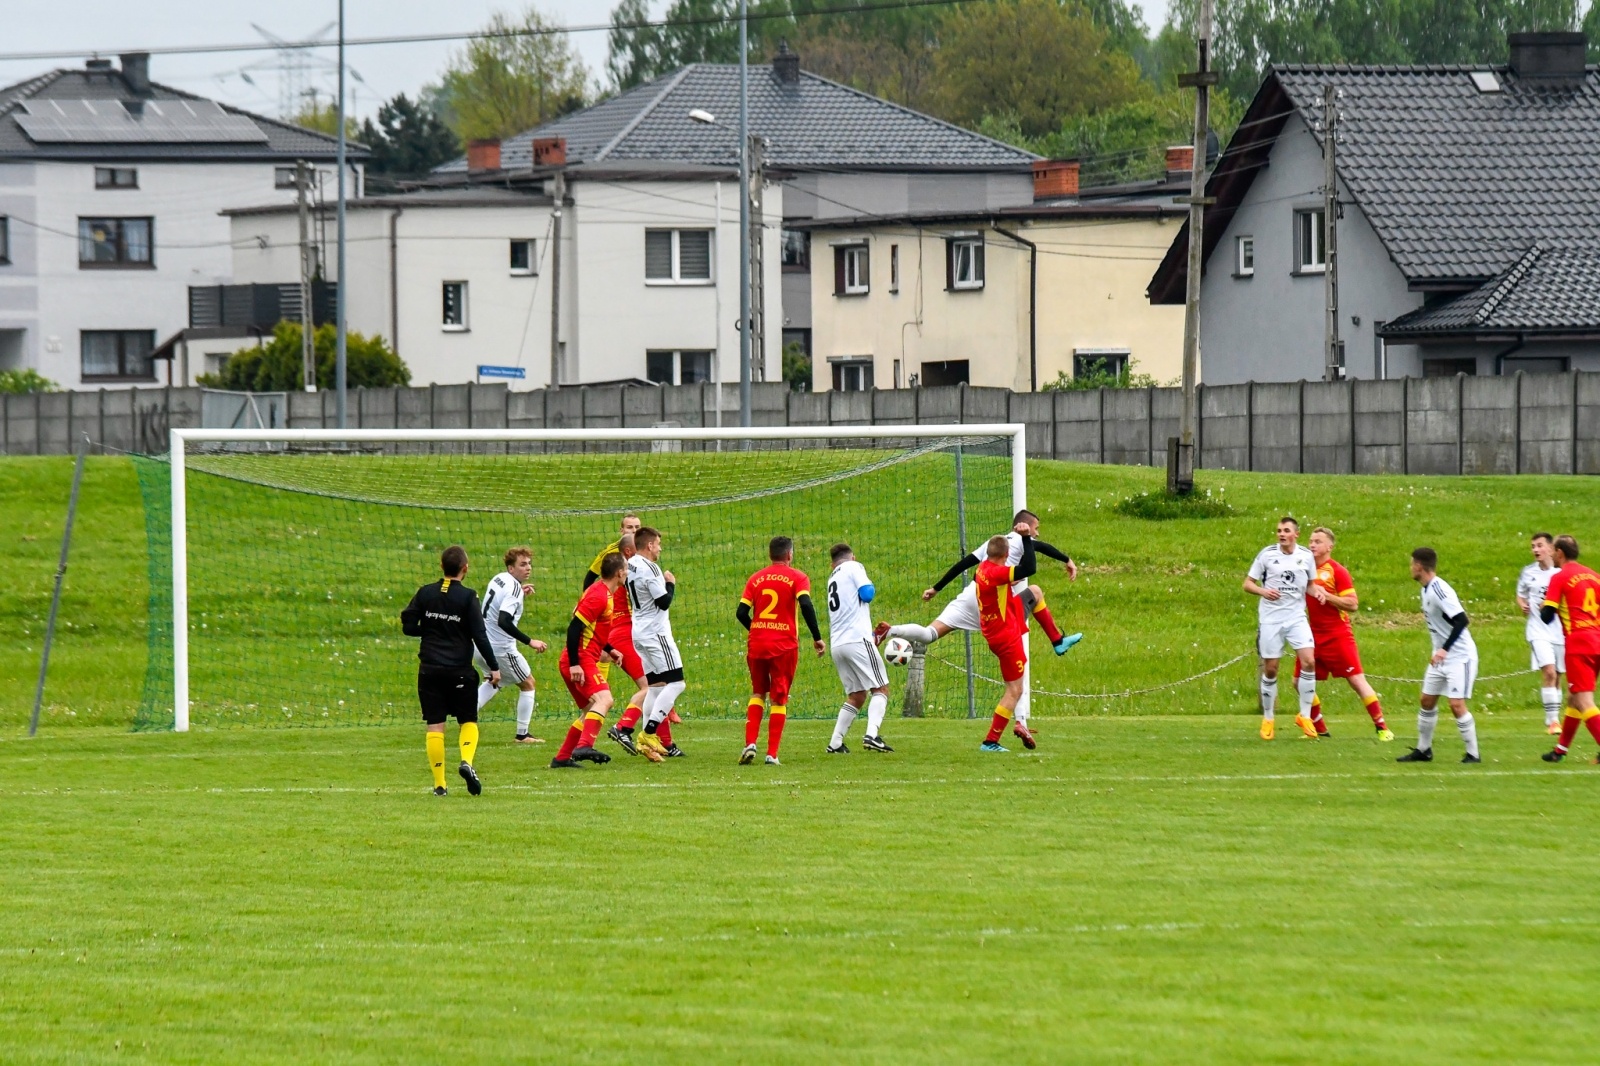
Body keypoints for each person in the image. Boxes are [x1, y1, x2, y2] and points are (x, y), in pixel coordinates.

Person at [875, 510, 1081, 749]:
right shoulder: (1015, 544)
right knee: (1015, 686)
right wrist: (1064, 558)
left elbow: (965, 564)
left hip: (975, 598)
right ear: (1022, 528)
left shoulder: (985, 560)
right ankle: (1009, 728)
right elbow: (1036, 557)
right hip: (1003, 623)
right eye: (1035, 528)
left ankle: (890, 631)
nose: (1037, 533)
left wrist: (936, 588)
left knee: (930, 633)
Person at [400, 545, 500, 796]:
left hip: (429, 670)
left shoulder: (425, 593)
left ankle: (440, 785)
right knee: (468, 720)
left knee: (435, 725)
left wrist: (431, 629)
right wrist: (494, 667)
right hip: (459, 671)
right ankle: (466, 761)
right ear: (465, 569)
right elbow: (479, 634)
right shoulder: (468, 597)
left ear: (441, 566)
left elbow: (408, 625)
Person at [1291, 527, 1393, 741]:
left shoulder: (1337, 571)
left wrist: (1327, 596)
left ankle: (1382, 727)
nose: (1312, 545)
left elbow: (1353, 604)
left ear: (1330, 546)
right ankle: (1319, 729)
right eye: (1310, 541)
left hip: (1337, 634)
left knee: (1356, 679)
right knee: (1299, 681)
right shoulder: (1302, 569)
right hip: (1311, 635)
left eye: (1318, 541)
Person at [738, 535, 825, 766]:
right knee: (779, 698)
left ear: (770, 555)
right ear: (789, 554)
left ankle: (749, 744)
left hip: (757, 643)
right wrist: (817, 638)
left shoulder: (755, 578)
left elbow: (740, 613)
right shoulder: (798, 577)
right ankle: (771, 754)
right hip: (784, 645)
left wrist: (757, 629)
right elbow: (805, 604)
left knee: (758, 692)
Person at [1397, 547, 1481, 764]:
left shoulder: (1439, 590)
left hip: (1459, 656)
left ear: (1418, 566)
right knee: (1426, 700)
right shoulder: (1425, 589)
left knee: (1456, 705)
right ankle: (1423, 750)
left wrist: (1444, 649)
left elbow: (1462, 620)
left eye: (1411, 564)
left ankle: (1473, 754)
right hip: (1440, 657)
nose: (1410, 568)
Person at [1243, 516, 1318, 741]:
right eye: (1278, 531)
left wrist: (1320, 594)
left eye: (1286, 530)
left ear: (1296, 534)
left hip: (1296, 617)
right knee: (1272, 669)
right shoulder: (1267, 555)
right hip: (1271, 619)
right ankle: (1268, 718)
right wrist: (1263, 592)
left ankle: (1304, 716)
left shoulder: (1306, 556)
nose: (1281, 534)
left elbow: (1311, 586)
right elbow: (1247, 584)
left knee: (1309, 662)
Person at [550, 552, 626, 769]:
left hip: (581, 657)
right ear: (619, 573)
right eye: (626, 570)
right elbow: (574, 628)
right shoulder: (598, 595)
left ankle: (562, 758)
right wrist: (575, 663)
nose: (627, 573)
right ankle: (584, 746)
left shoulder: (605, 593)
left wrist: (610, 650)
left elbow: (592, 631)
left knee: (590, 709)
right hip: (580, 659)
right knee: (605, 700)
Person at [621, 526, 688, 762]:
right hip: (656, 633)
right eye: (658, 544)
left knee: (656, 686)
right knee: (677, 683)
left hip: (638, 631)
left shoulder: (630, 564)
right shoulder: (650, 568)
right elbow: (663, 602)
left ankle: (646, 742)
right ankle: (649, 732)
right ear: (649, 545)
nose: (660, 548)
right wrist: (670, 583)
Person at [473, 546, 549, 744]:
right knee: (528, 683)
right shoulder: (513, 589)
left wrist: (519, 593)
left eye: (529, 564)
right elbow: (504, 621)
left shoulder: (499, 578)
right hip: (500, 649)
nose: (528, 568)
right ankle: (522, 735)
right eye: (522, 564)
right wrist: (530, 641)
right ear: (510, 568)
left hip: (480, 645)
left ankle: (466, 714)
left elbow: (499, 601)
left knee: (494, 681)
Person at [972, 532, 1038, 752]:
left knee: (1013, 688)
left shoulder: (981, 569)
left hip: (994, 633)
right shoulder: (998, 572)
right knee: (1014, 689)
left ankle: (1057, 639)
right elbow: (1030, 568)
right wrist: (1026, 538)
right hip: (1006, 636)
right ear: (1007, 554)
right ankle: (991, 741)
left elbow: (991, 581)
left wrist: (1009, 581)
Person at [824, 543, 892, 754]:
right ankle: (872, 735)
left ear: (831, 564)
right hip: (857, 640)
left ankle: (835, 743)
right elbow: (867, 593)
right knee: (881, 688)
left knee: (857, 695)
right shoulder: (854, 567)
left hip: (838, 644)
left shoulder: (832, 578)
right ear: (852, 557)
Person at [1539, 535, 1600, 762]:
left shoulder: (1560, 576)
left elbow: (1546, 616)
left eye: (1553, 551)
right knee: (1574, 697)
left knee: (1584, 701)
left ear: (1560, 553)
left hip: (1578, 645)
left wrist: (1543, 604)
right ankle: (1560, 750)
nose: (1552, 555)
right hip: (1597, 641)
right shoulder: (1594, 576)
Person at [602, 533, 653, 752]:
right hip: (625, 634)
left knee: (657, 685)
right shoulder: (633, 570)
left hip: (621, 633)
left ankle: (664, 741)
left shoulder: (620, 573)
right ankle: (623, 727)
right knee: (650, 687)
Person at [1517, 532, 1567, 735]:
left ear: (1550, 548)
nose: (1535, 550)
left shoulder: (1561, 573)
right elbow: (1520, 596)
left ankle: (1553, 717)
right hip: (1537, 630)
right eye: (1532, 546)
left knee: (1558, 676)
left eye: (1539, 546)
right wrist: (1523, 605)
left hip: (1560, 630)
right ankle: (1553, 721)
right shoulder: (1528, 572)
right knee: (1549, 672)